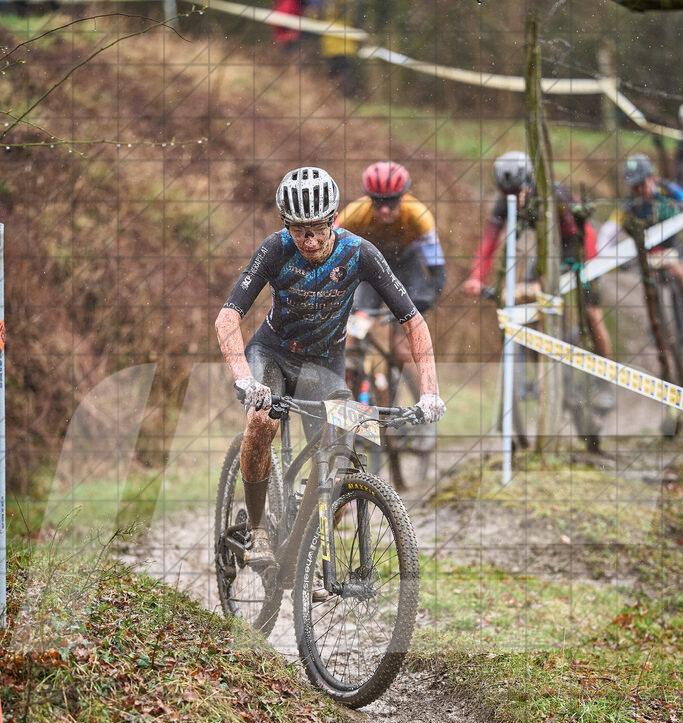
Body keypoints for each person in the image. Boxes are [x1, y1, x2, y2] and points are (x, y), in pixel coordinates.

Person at [215, 166, 445, 567]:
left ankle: (304, 558)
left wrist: (429, 391)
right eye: (298, 228)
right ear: (286, 224)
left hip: (324, 366)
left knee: (341, 467)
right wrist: (244, 379)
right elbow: (226, 318)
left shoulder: (359, 252)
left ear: (334, 219)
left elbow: (413, 321)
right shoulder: (275, 249)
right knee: (262, 421)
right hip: (272, 353)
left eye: (318, 228)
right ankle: (258, 531)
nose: (309, 239)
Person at [463, 151, 613, 361]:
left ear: (528, 183)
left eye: (516, 192)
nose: (511, 198)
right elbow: (489, 241)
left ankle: (604, 377)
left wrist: (583, 267)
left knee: (592, 314)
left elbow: (578, 234)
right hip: (546, 250)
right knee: (529, 304)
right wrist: (476, 277)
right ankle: (539, 366)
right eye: (506, 193)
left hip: (578, 246)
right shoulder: (504, 202)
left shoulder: (553, 196)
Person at [336, 160, 447, 400]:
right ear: (369, 199)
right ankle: (360, 406)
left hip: (407, 271)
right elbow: (330, 261)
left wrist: (424, 300)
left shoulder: (419, 216)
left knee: (402, 349)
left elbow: (438, 274)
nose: (385, 210)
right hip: (369, 272)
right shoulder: (353, 215)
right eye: (378, 202)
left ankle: (426, 412)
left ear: (403, 197)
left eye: (392, 202)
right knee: (352, 341)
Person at [620, 154, 683, 288]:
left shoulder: (667, 189)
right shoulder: (630, 204)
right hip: (649, 250)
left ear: (652, 178)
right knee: (648, 281)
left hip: (673, 245)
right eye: (635, 187)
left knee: (679, 271)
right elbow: (617, 226)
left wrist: (674, 208)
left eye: (642, 184)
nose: (640, 190)